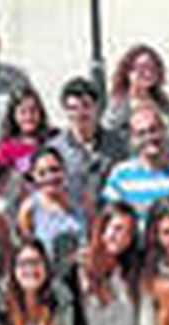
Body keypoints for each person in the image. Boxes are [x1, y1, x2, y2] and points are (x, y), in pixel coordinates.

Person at [102, 105, 169, 236]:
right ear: (132, 139)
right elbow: (109, 220)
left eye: (153, 130)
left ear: (164, 131)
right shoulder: (121, 175)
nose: (149, 137)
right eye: (141, 133)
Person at [49, 77, 128, 219]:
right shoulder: (55, 149)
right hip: (70, 220)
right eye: (73, 108)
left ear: (96, 107)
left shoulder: (118, 145)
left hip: (110, 220)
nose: (79, 114)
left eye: (86, 106)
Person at [17, 147, 87, 272]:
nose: (50, 177)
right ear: (33, 176)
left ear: (64, 170)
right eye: (42, 173)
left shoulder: (81, 201)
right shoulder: (29, 209)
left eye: (55, 170)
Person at [103, 44, 169, 152]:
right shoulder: (119, 104)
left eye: (153, 68)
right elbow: (109, 137)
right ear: (128, 72)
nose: (148, 73)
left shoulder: (163, 101)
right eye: (141, 68)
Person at [0, 88, 55, 175]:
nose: (28, 117)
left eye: (33, 111)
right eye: (23, 112)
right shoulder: (6, 149)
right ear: (13, 115)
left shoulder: (53, 138)